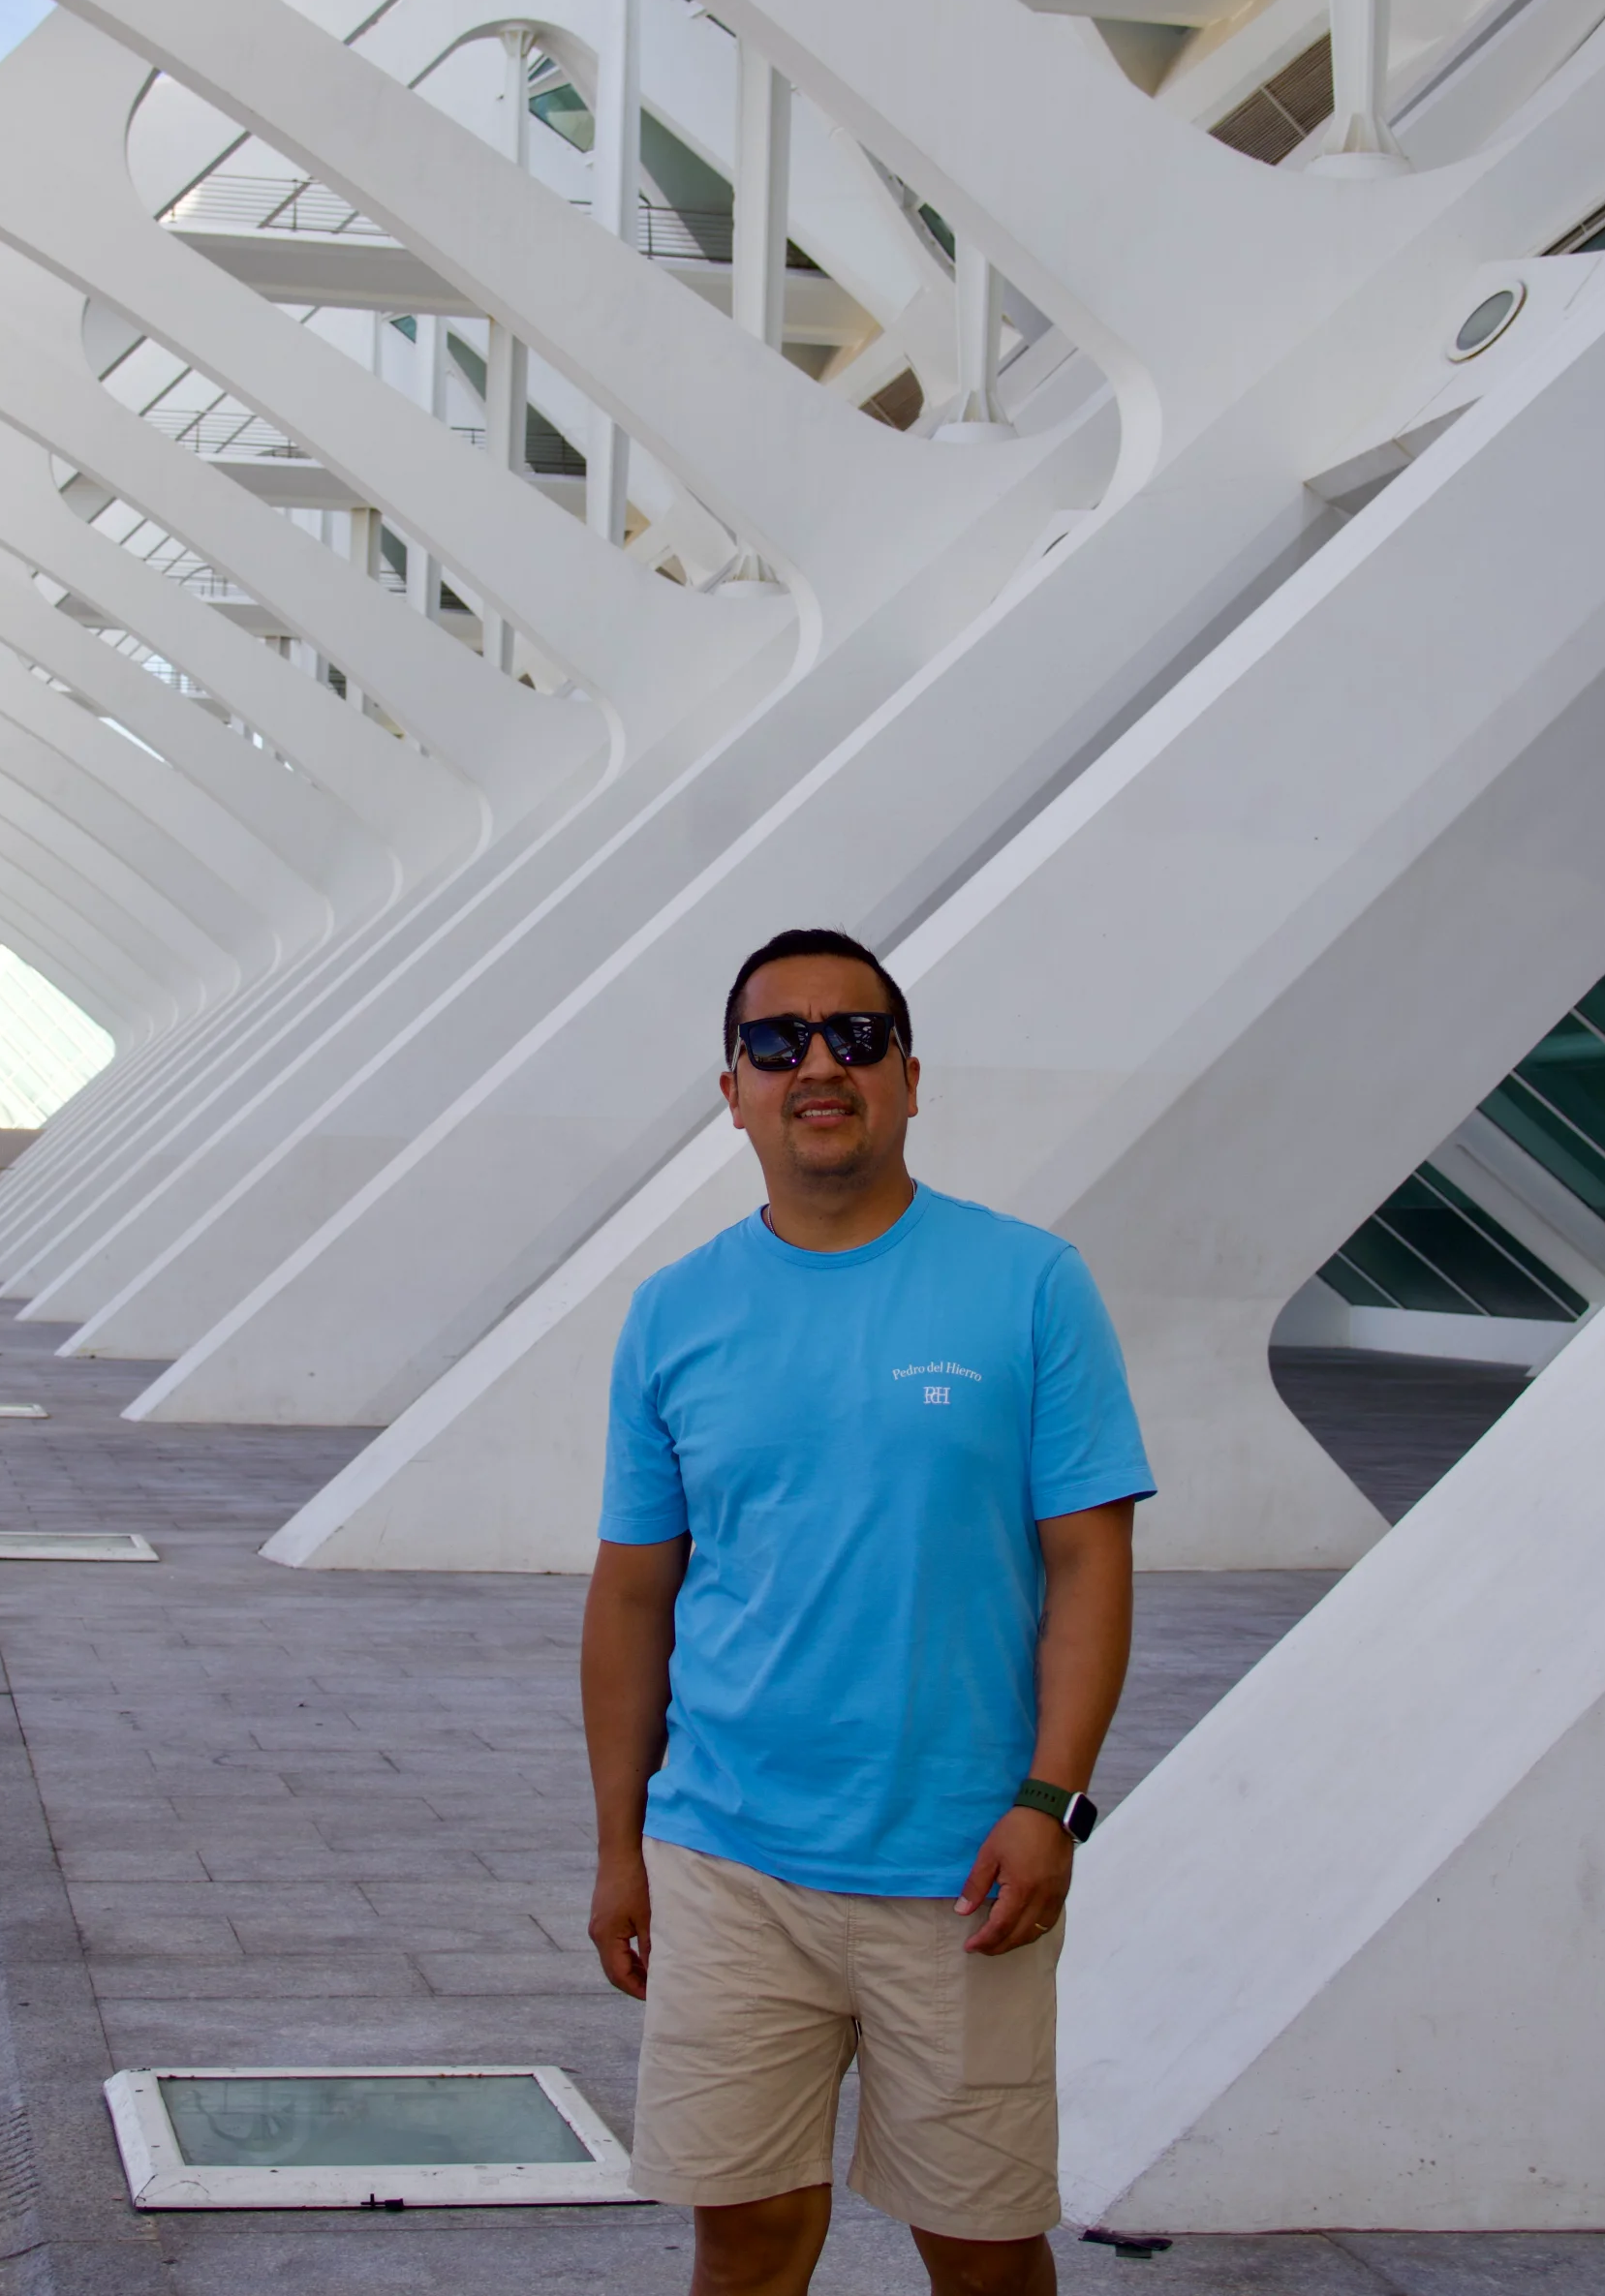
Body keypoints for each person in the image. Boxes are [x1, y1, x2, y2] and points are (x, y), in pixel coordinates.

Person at [582, 928, 1155, 2296]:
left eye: (855, 1036)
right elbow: (634, 1594)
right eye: (777, 1042)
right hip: (728, 1858)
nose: (818, 1065)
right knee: (747, 2239)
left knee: (983, 2247)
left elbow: (1091, 1564)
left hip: (963, 1868)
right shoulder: (672, 1313)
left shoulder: (1031, 1284)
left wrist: (1051, 1803)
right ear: (733, 1091)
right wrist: (618, 1852)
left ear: (909, 1076)